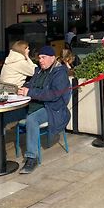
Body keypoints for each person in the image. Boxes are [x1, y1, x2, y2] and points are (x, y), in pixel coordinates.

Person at [17, 46, 71, 174]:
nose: (40, 60)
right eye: (39, 58)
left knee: (32, 119)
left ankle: (31, 157)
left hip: (53, 108)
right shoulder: (39, 71)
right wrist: (23, 88)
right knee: (8, 114)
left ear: (52, 58)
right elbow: (31, 84)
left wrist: (30, 92)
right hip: (36, 104)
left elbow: (53, 95)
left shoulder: (59, 73)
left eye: (43, 57)